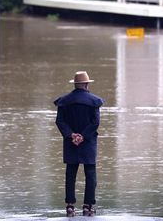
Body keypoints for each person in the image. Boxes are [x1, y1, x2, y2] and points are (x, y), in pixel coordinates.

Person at [54, 71, 104, 217]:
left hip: (70, 142)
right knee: (90, 174)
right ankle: (88, 206)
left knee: (70, 174)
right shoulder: (94, 101)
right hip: (88, 142)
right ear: (87, 84)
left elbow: (60, 121)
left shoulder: (64, 101)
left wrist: (72, 135)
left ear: (75, 84)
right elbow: (95, 122)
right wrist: (83, 135)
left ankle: (70, 206)